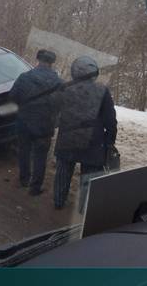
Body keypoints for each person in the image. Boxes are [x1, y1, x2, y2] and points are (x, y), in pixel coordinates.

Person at [52, 56, 118, 212]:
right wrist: (110, 141)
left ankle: (58, 202)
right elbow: (110, 120)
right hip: (93, 142)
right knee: (88, 177)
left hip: (68, 138)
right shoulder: (102, 91)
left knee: (63, 172)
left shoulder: (65, 89)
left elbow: (55, 115)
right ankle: (83, 208)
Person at [9, 49, 63, 196]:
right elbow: (61, 104)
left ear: (38, 60)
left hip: (24, 122)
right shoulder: (59, 83)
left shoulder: (24, 77)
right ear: (52, 63)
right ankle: (35, 188)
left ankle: (24, 179)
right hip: (45, 124)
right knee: (40, 156)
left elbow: (12, 97)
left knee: (24, 151)